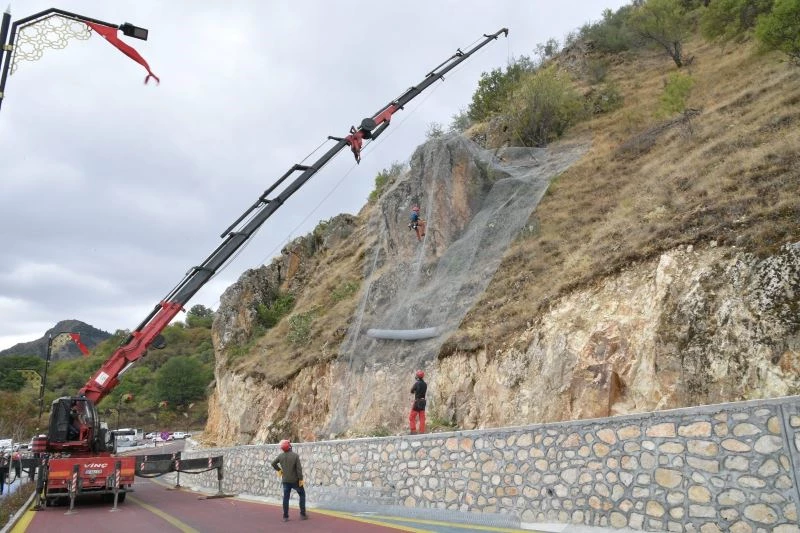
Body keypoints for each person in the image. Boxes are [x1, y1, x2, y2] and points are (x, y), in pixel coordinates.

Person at [270, 439, 307, 522]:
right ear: (290, 447)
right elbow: (299, 469)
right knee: (302, 495)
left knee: (286, 498)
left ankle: (285, 516)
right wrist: (301, 479)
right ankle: (303, 514)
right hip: (295, 481)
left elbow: (273, 463)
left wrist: (279, 470)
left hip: (285, 481)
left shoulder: (280, 456)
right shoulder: (295, 456)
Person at [409, 369, 427, 434]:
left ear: (417, 376)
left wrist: (415, 391)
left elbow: (411, 391)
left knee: (412, 417)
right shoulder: (425, 384)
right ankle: (422, 431)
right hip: (423, 401)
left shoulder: (417, 383)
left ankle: (413, 430)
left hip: (417, 402)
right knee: (422, 417)